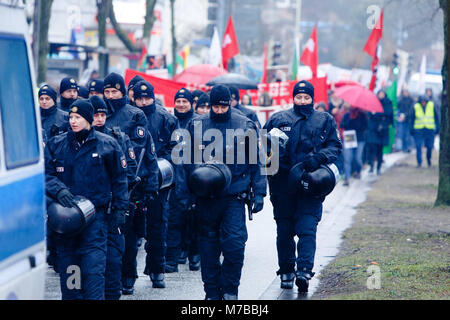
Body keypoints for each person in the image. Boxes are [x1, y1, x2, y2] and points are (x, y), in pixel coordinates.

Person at [176, 85, 267, 300]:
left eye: (222, 106)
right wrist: (184, 195)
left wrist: (260, 192)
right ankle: (211, 292)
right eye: (215, 106)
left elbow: (257, 160)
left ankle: (229, 289)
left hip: (234, 194)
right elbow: (183, 162)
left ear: (229, 104)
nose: (218, 110)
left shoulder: (245, 125)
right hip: (205, 196)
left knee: (235, 245)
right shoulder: (196, 124)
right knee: (207, 248)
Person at [44, 99, 129, 300]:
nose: (73, 121)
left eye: (78, 118)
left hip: (95, 219)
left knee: (93, 273)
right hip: (66, 220)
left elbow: (120, 180)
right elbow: (45, 174)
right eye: (71, 117)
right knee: (71, 275)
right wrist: (59, 190)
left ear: (89, 120)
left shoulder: (108, 145)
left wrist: (119, 210)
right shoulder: (57, 144)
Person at [263, 80, 342, 292]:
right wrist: (273, 155)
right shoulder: (278, 119)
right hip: (282, 186)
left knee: (308, 230)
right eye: (299, 97)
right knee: (285, 231)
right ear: (293, 97)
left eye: (306, 97)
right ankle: (287, 270)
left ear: (313, 98)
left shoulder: (324, 120)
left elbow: (335, 147)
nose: (302, 101)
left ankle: (304, 271)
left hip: (311, 185)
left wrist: (317, 159)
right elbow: (261, 148)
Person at [102, 73, 160, 292]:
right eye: (107, 92)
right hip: (102, 182)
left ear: (123, 92)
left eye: (114, 92)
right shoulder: (99, 113)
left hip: (131, 183)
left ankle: (128, 273)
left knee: (128, 234)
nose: (110, 96)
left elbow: (141, 150)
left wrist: (150, 185)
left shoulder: (135, 115)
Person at [90, 95, 139, 300]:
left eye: (103, 114)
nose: (99, 119)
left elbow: (128, 173)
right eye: (95, 115)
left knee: (114, 258)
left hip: (112, 206)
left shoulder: (117, 138)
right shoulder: (71, 140)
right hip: (87, 209)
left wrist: (121, 205)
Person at [133, 80, 179, 288]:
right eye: (139, 98)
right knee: (131, 229)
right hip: (133, 180)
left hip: (159, 179)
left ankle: (157, 269)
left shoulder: (167, 119)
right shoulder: (129, 117)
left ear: (153, 97)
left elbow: (176, 150)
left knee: (157, 225)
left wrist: (160, 165)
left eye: (147, 98)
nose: (143, 102)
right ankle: (128, 273)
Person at [166, 88, 201, 273]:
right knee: (174, 217)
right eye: (178, 101)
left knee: (194, 217)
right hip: (173, 176)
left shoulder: (198, 123)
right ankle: (175, 253)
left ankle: (194, 252)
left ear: (191, 104)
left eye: (184, 102)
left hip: (193, 175)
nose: (181, 105)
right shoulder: (169, 121)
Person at [366, 90, 393, 175]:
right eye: (379, 94)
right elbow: (370, 114)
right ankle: (371, 166)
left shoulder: (387, 103)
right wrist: (373, 114)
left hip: (382, 130)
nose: (380, 95)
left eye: (382, 94)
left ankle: (378, 167)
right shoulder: (374, 102)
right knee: (372, 148)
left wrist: (378, 115)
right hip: (373, 129)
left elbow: (388, 115)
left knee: (380, 150)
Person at [339, 106, 368, 186]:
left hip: (359, 139)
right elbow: (342, 125)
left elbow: (365, 126)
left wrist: (357, 124)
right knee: (347, 159)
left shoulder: (363, 115)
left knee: (358, 158)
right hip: (349, 137)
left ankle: (358, 171)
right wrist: (349, 122)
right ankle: (347, 178)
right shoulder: (348, 115)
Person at [410, 95, 440, 167]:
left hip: (429, 129)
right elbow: (412, 119)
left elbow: (437, 118)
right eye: (422, 102)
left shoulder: (432, 106)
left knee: (429, 146)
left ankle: (428, 160)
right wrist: (411, 129)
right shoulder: (416, 107)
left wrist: (437, 128)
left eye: (424, 101)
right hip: (418, 129)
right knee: (418, 146)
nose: (423, 103)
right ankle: (419, 162)